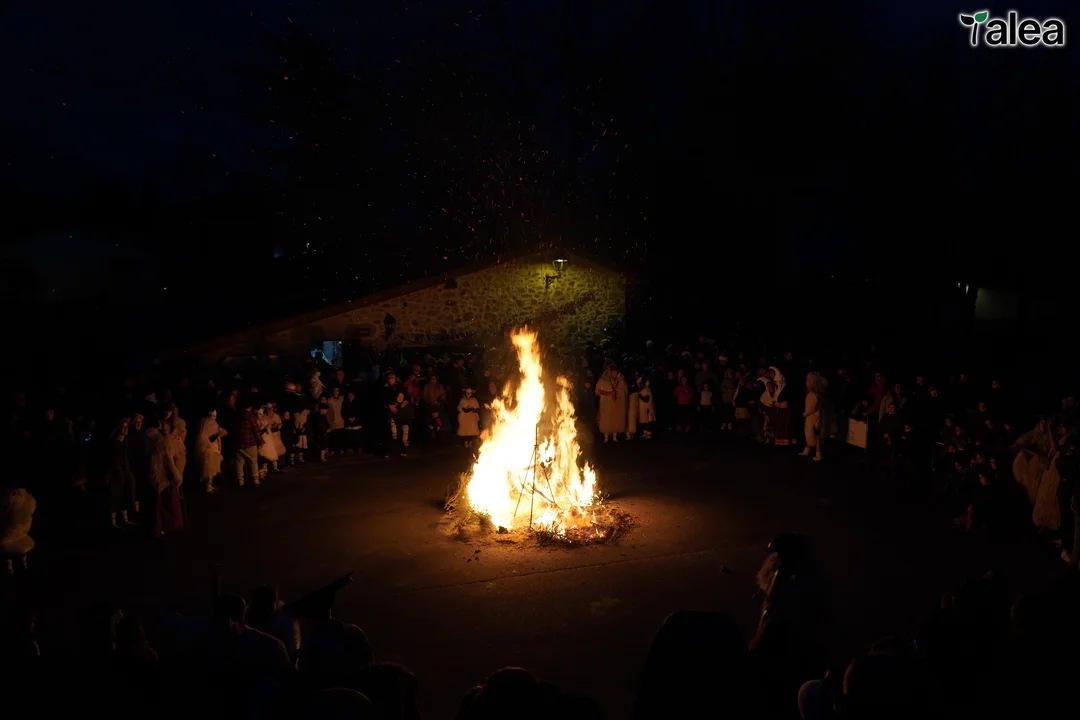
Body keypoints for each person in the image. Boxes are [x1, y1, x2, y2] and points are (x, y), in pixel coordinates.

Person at [103, 418, 138, 527]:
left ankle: (125, 519)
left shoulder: (127, 442)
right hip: (117, 472)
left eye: (127, 427)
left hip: (125, 471)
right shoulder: (113, 443)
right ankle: (112, 521)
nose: (125, 429)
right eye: (123, 427)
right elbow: (111, 460)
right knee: (115, 496)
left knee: (126, 494)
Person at [595, 364, 628, 442]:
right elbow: (599, 391)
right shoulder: (603, 380)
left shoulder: (619, 380)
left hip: (616, 404)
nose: (614, 374)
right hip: (606, 404)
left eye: (616, 372)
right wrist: (609, 393)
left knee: (616, 418)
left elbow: (623, 391)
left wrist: (620, 380)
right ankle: (606, 437)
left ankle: (614, 436)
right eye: (613, 372)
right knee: (606, 419)